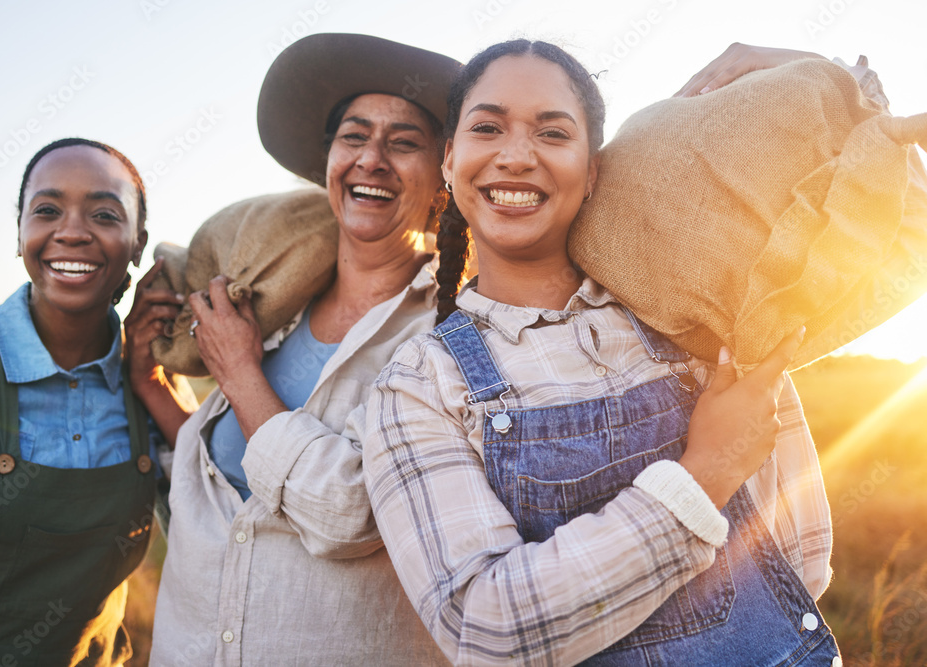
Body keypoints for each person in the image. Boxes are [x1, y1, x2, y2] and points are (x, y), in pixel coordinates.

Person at [363, 41, 886, 665]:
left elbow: (802, 556)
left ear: (593, 171)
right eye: (487, 127)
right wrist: (705, 475)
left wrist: (783, 63)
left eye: (553, 133)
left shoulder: (692, 306)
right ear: (450, 160)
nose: (516, 155)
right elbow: (486, 628)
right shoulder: (420, 383)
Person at [138, 34, 459, 665]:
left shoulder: (447, 333)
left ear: (443, 183)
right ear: (329, 164)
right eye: (354, 137)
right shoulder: (272, 307)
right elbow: (228, 486)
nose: (372, 158)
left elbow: (351, 514)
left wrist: (238, 373)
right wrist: (153, 383)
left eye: (402, 143)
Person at [0, 138, 170, 666]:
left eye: (104, 213)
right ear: (20, 233)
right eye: (47, 210)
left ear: (137, 243)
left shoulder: (151, 376)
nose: (73, 230)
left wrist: (152, 381)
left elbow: (225, 516)